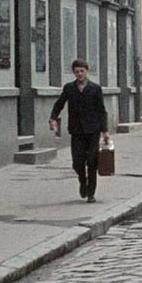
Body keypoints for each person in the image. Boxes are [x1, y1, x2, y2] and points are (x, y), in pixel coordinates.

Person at [49, 59, 110, 203]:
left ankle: (91, 193)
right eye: (77, 71)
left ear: (87, 71)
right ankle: (83, 181)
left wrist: (105, 130)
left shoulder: (95, 88)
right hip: (76, 130)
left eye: (82, 71)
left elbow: (102, 111)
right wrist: (53, 118)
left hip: (93, 130)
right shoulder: (69, 88)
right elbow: (59, 104)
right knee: (77, 162)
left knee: (92, 161)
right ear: (74, 73)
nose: (80, 74)